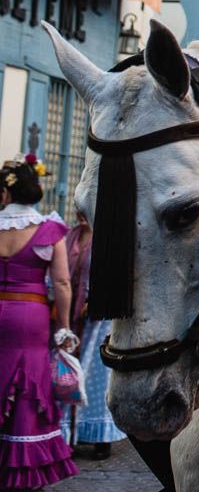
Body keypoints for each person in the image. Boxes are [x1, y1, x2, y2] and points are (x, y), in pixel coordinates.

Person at [0, 158, 78, 488]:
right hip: (30, 316)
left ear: (5, 194)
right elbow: (61, 283)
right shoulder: (50, 230)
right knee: (30, 381)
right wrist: (64, 326)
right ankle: (24, 462)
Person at [60, 209, 124, 459]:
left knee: (95, 377)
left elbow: (116, 278)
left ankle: (100, 436)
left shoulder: (107, 240)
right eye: (79, 209)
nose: (81, 214)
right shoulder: (70, 236)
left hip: (98, 322)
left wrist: (96, 300)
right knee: (71, 374)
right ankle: (71, 433)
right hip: (73, 320)